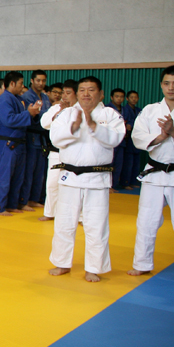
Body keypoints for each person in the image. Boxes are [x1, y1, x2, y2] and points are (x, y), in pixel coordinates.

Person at [48, 76, 124, 282]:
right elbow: (54, 137)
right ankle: (62, 262)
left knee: (96, 225)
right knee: (64, 223)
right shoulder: (66, 113)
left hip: (97, 178)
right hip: (69, 176)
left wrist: (94, 126)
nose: (86, 94)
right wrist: (74, 128)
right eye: (82, 90)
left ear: (100, 94)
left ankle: (94, 267)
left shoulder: (110, 115)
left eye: (91, 90)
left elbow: (116, 139)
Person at [128, 67, 174, 276]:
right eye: (167, 83)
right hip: (154, 172)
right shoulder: (149, 110)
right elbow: (137, 136)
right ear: (161, 85)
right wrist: (158, 138)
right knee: (146, 221)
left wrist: (173, 131)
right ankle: (142, 264)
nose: (171, 88)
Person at [0, 71, 41, 215]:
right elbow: (9, 120)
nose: (22, 86)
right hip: (7, 144)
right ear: (12, 83)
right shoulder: (4, 100)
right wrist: (28, 113)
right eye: (20, 83)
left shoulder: (18, 99)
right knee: (4, 177)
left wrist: (33, 114)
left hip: (20, 143)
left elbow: (24, 119)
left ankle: (12, 204)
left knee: (18, 177)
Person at [39, 79, 78, 221]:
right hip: (56, 151)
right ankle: (50, 213)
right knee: (52, 183)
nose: (65, 96)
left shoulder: (82, 109)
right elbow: (44, 123)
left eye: (68, 93)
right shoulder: (56, 108)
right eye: (63, 93)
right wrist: (60, 112)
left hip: (74, 152)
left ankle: (78, 216)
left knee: (75, 185)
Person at [20, 70, 51, 211]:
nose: (41, 83)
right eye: (38, 80)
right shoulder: (26, 97)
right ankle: (24, 200)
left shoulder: (45, 97)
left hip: (43, 136)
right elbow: (30, 116)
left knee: (40, 170)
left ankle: (34, 198)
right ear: (32, 80)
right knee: (29, 170)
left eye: (43, 80)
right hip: (31, 135)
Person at [121, 90, 142, 189]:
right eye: (132, 97)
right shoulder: (124, 110)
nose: (134, 99)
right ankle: (125, 183)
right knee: (128, 163)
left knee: (136, 163)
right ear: (127, 99)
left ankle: (133, 181)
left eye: (136, 97)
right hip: (128, 138)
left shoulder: (139, 110)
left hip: (137, 138)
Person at [108, 88, 127, 190]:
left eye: (121, 97)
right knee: (109, 164)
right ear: (112, 97)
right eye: (117, 96)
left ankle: (114, 185)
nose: (119, 99)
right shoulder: (107, 109)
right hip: (110, 141)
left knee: (118, 164)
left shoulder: (125, 109)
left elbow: (132, 120)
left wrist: (128, 124)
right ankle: (108, 185)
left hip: (122, 141)